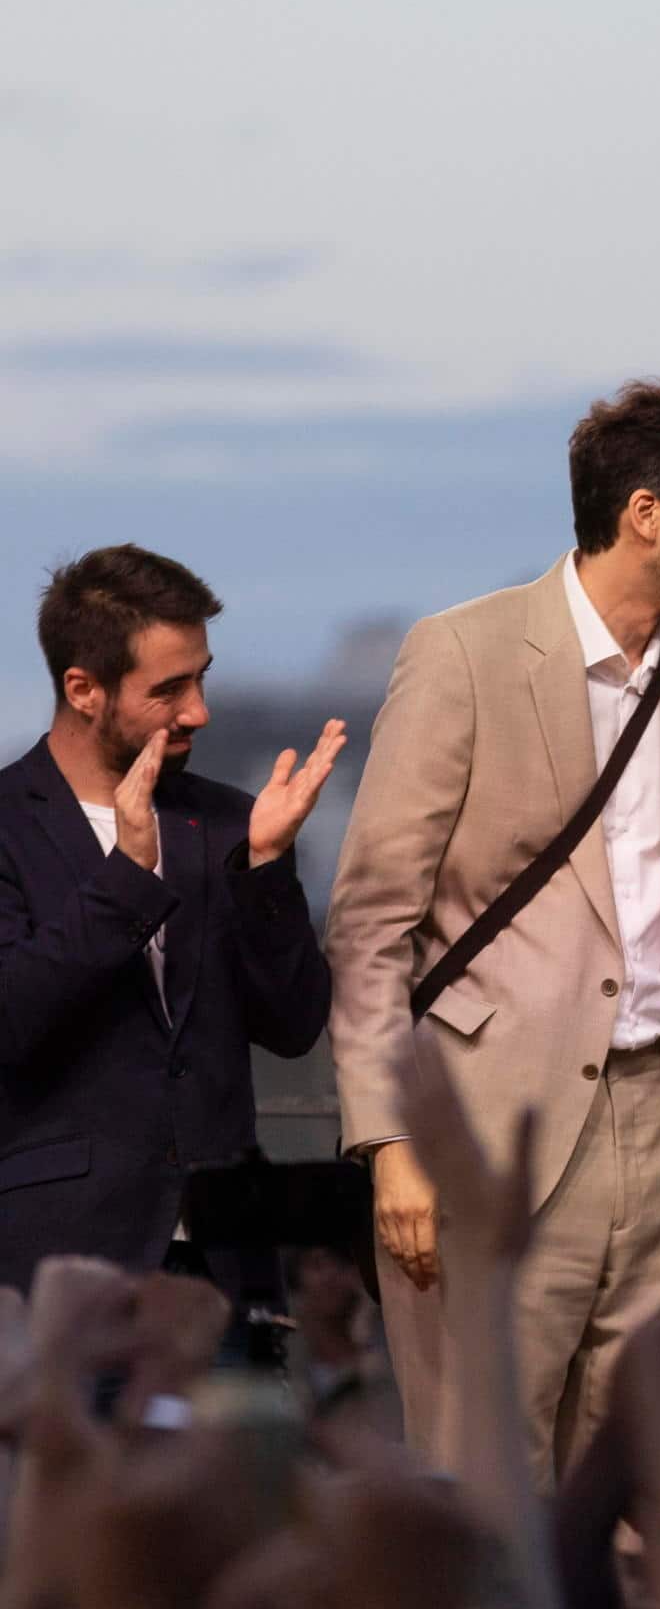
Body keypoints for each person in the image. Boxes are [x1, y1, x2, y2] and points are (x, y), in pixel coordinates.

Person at [323, 377, 660, 1480]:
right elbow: (372, 925)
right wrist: (390, 1147)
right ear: (645, 514)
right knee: (487, 1494)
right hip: (485, 1140)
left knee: (639, 1491)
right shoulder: (463, 654)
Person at [0, 546, 344, 1291]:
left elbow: (292, 1026)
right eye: (170, 688)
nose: (200, 710)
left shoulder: (226, 821)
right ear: (83, 689)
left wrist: (265, 868)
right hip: (59, 1271)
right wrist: (126, 875)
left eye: (202, 676)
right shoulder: (5, 825)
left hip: (227, 1263)